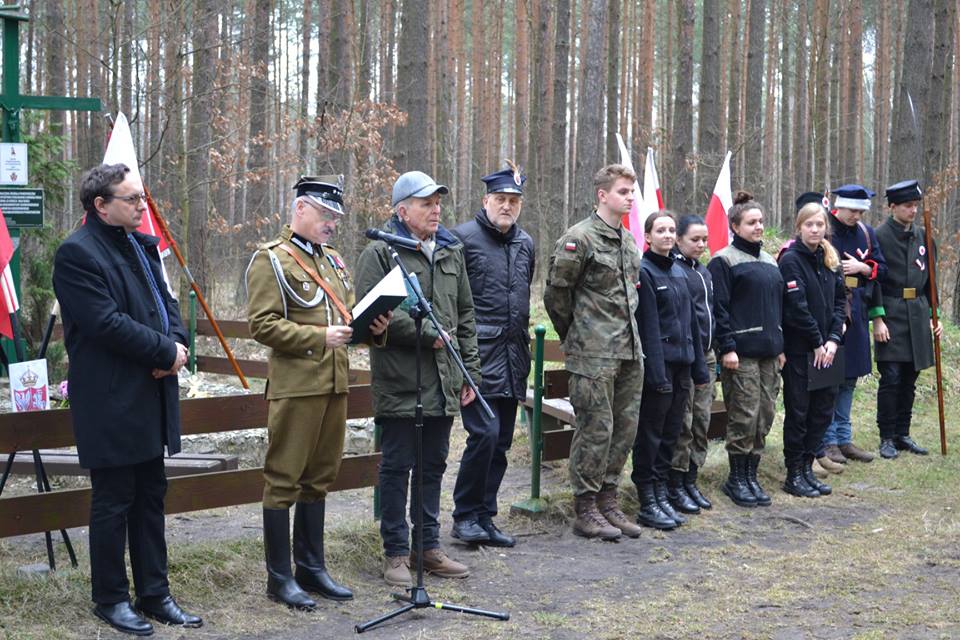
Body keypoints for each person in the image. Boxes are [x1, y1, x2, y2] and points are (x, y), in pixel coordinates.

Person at [53, 164, 202, 636]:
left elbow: (168, 307)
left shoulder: (142, 246)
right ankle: (111, 598)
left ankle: (155, 594)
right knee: (114, 500)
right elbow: (104, 323)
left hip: (152, 392)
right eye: (132, 199)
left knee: (151, 497)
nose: (143, 206)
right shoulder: (77, 254)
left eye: (142, 198)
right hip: (111, 398)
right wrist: (162, 351)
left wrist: (176, 348)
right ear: (100, 205)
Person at [246, 176, 389, 609]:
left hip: (334, 384)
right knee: (284, 478)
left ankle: (311, 567)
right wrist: (316, 337)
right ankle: (279, 578)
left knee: (319, 478)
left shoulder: (334, 262)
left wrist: (372, 330)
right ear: (300, 209)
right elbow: (262, 325)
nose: (331, 224)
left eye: (336, 217)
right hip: (296, 387)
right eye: (325, 214)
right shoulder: (271, 260)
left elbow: (345, 320)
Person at [354, 170, 482, 587]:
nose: (436, 210)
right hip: (400, 381)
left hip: (445, 380)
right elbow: (372, 316)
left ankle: (427, 547)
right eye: (426, 203)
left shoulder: (450, 251)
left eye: (438, 203)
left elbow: (465, 316)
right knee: (397, 467)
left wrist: (470, 374)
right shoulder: (380, 253)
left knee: (433, 466)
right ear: (401, 210)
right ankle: (395, 553)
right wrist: (429, 336)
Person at [544, 164, 644, 541]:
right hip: (593, 352)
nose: (630, 198)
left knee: (623, 429)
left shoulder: (629, 240)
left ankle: (608, 500)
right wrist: (578, 335)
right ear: (603, 195)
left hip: (629, 350)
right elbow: (556, 294)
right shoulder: (579, 239)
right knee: (595, 429)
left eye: (632, 192)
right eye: (623, 192)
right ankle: (585, 507)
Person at [449, 164, 534, 548]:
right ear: (486, 201)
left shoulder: (525, 243)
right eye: (500, 199)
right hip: (478, 356)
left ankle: (485, 515)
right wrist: (461, 359)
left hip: (513, 355)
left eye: (513, 201)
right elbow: (451, 302)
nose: (507, 206)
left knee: (500, 441)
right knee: (483, 435)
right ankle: (464, 515)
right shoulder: (461, 239)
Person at [631, 211, 709, 529]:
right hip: (659, 369)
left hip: (683, 365)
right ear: (647, 236)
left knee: (672, 434)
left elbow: (692, 323)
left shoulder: (679, 271)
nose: (666, 235)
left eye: (671, 230)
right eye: (660, 230)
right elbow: (648, 326)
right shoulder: (644, 271)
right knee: (650, 435)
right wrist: (657, 374)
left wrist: (699, 368)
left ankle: (663, 492)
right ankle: (647, 498)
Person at [707, 191, 785, 509]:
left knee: (765, 414)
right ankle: (736, 479)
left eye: (761, 222)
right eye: (751, 222)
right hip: (740, 354)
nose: (758, 227)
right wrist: (727, 347)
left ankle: (752, 476)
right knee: (744, 415)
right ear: (735, 226)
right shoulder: (723, 261)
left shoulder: (770, 262)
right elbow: (719, 309)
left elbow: (778, 308)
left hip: (770, 352)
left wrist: (781, 346)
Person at [778, 203, 847, 498]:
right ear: (799, 227)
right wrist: (817, 341)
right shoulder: (791, 260)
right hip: (800, 350)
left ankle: (808, 468)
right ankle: (794, 473)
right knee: (800, 412)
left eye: (819, 224)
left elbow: (840, 303)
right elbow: (797, 308)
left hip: (829, 351)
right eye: (809, 225)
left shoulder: (829, 259)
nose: (815, 229)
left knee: (822, 412)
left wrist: (832, 340)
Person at [815, 185, 887, 467]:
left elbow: (883, 268)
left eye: (860, 211)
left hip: (857, 308)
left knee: (849, 378)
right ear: (839, 207)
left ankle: (844, 439)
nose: (856, 216)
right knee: (830, 377)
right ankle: (828, 440)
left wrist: (863, 268)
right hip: (830, 309)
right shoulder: (824, 229)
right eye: (852, 210)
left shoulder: (866, 234)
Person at [874, 179, 940, 459]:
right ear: (892, 207)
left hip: (917, 314)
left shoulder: (924, 237)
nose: (913, 211)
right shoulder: (878, 236)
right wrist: (877, 318)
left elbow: (932, 283)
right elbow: (873, 280)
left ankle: (903, 433)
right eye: (907, 206)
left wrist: (933, 316)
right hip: (891, 311)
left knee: (909, 379)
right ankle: (886, 436)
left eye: (915, 206)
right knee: (891, 377)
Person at [670, 215, 716, 510]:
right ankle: (675, 482)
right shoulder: (675, 271)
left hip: (709, 356)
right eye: (694, 240)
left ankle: (692, 479)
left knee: (702, 420)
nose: (700, 245)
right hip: (687, 358)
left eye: (704, 240)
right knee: (683, 423)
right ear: (679, 240)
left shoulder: (704, 271)